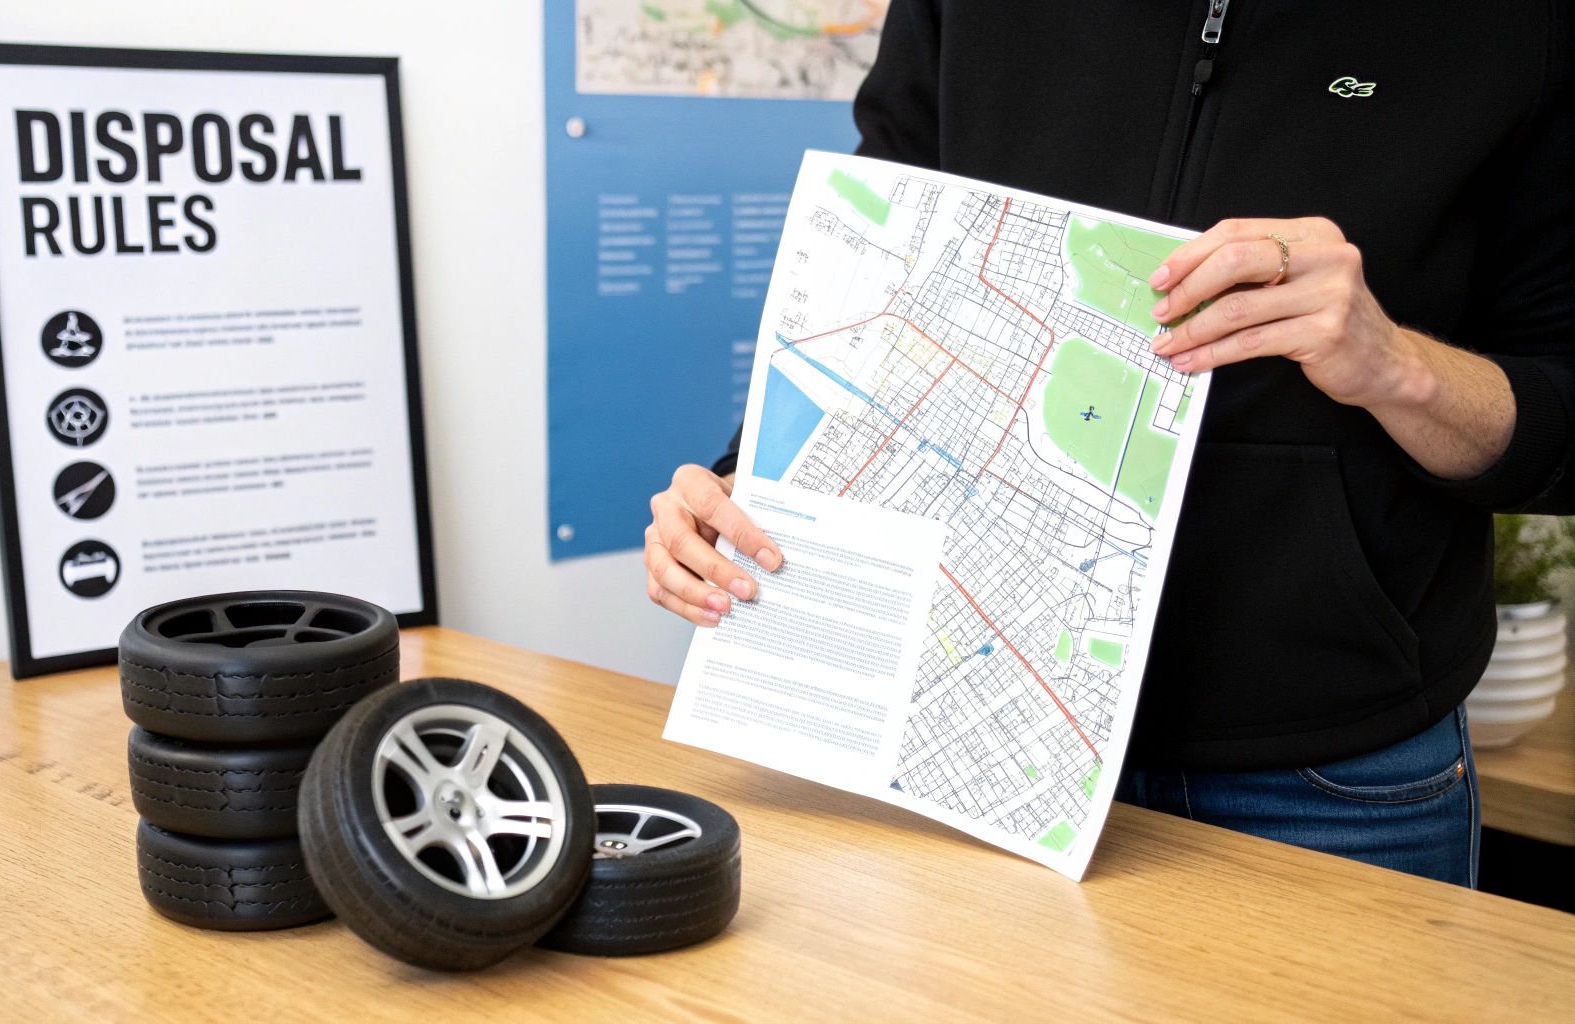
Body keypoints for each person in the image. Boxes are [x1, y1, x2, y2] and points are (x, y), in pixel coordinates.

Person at [642, 0, 1574, 886]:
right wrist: (744, 483)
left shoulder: (1519, 23)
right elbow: (879, 282)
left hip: (1332, 781)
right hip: (975, 739)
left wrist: (1397, 366)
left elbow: (1563, 412)